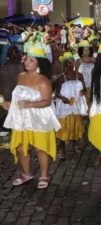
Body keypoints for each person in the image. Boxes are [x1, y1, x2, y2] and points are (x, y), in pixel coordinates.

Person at [2, 46, 60, 189]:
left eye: (32, 60)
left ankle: (44, 176)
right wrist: (8, 103)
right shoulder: (21, 76)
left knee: (40, 148)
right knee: (21, 148)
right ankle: (26, 174)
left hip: (39, 118)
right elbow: (18, 95)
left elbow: (47, 101)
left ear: (39, 63)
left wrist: (28, 104)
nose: (27, 62)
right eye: (26, 59)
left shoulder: (43, 81)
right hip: (21, 118)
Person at [55, 52, 87, 160]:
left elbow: (85, 89)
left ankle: (74, 145)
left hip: (76, 104)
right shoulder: (61, 77)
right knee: (64, 126)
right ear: (64, 64)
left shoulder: (79, 75)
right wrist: (63, 98)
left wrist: (83, 92)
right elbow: (57, 93)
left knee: (75, 125)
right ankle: (62, 150)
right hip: (65, 106)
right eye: (67, 62)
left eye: (72, 61)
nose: (70, 64)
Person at [75, 40, 94, 107]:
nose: (87, 52)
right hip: (83, 83)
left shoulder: (93, 60)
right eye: (84, 50)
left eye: (88, 50)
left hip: (92, 83)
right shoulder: (78, 61)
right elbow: (76, 73)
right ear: (81, 51)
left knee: (93, 101)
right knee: (84, 102)